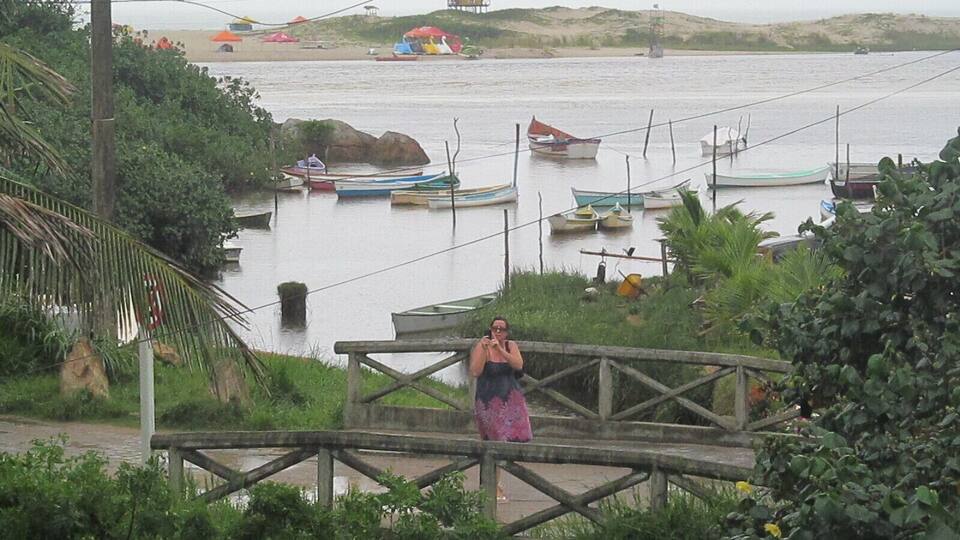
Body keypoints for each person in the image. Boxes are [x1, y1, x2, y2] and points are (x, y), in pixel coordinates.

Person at [469, 316, 532, 501]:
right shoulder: (482, 346)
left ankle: (494, 484)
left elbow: (518, 365)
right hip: (488, 402)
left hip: (510, 402)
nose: (497, 332)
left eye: (501, 329)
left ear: (506, 332)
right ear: (489, 329)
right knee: (492, 442)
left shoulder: (510, 346)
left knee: (504, 443)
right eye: (494, 328)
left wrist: (501, 350)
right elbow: (475, 371)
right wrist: (485, 348)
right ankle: (493, 486)